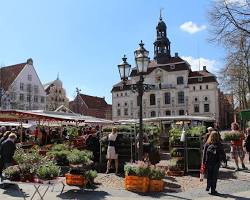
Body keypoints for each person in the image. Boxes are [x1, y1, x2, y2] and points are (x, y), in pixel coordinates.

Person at [202, 131, 226, 195]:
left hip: (209, 162)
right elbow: (223, 153)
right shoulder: (218, 143)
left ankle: (208, 187)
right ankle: (213, 190)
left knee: (209, 175)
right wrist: (224, 160)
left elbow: (204, 154)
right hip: (216, 162)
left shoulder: (207, 144)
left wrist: (203, 163)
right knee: (214, 176)